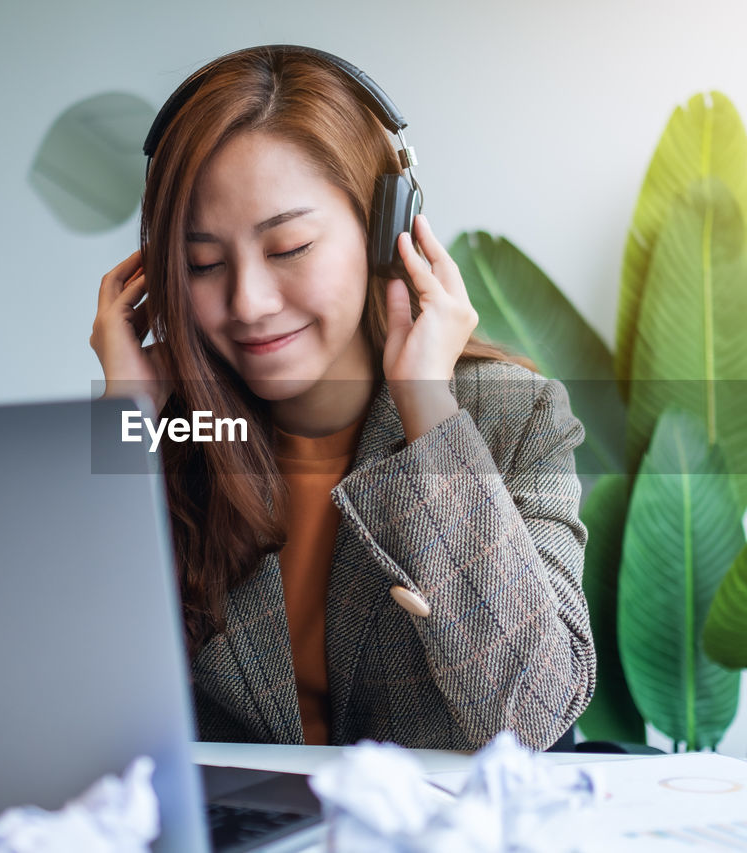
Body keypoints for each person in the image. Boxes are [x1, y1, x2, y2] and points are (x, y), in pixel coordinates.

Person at [89, 45, 595, 751]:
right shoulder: (175, 430)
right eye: (203, 263)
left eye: (289, 246)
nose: (249, 302)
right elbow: (83, 707)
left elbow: (532, 713)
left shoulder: (512, 418)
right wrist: (125, 417)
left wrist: (429, 414)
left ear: (385, 233)